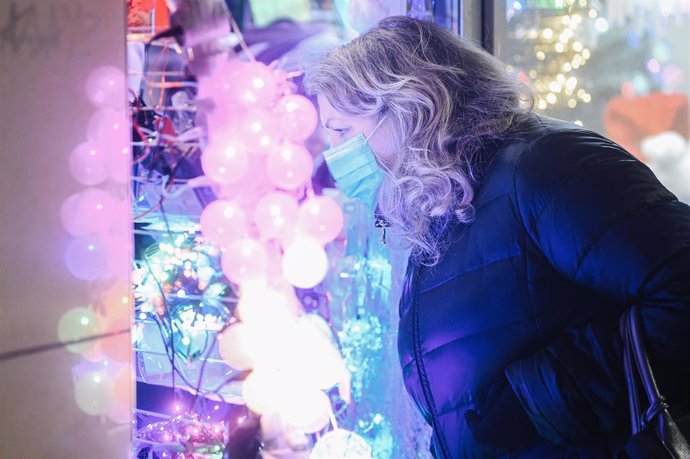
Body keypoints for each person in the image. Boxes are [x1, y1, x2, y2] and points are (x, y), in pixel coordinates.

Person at [304, 15, 690, 459]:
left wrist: (543, 398)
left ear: (407, 103)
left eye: (340, 130)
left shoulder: (547, 166)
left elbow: (680, 285)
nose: (334, 156)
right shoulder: (447, 207)